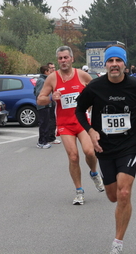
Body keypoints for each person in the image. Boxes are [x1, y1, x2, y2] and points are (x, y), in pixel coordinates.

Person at [75, 45, 136, 254]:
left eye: (118, 61)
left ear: (124, 64)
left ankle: (117, 243)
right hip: (104, 147)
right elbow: (78, 110)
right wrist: (90, 130)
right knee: (113, 196)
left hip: (129, 145)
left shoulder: (135, 86)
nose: (114, 65)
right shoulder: (95, 87)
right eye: (110, 61)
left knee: (123, 192)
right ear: (106, 64)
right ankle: (120, 199)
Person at [37, 46, 104, 205]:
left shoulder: (81, 75)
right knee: (73, 156)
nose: (63, 61)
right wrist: (52, 98)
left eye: (66, 57)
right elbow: (40, 99)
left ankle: (94, 173)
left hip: (81, 122)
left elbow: (98, 91)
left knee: (90, 152)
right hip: (65, 124)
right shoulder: (52, 78)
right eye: (60, 58)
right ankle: (79, 191)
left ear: (72, 59)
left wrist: (91, 103)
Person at [34, 65, 59, 148]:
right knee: (43, 124)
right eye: (49, 71)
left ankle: (45, 140)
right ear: (45, 72)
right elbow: (38, 93)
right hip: (43, 105)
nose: (50, 72)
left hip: (47, 104)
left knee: (46, 123)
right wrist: (45, 99)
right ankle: (41, 142)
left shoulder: (44, 80)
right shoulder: (42, 81)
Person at [46, 62, 60, 145]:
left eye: (54, 67)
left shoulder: (55, 77)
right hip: (49, 102)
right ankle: (50, 137)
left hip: (54, 102)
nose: (53, 69)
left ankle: (50, 136)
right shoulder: (48, 79)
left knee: (52, 119)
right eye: (51, 68)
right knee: (50, 120)